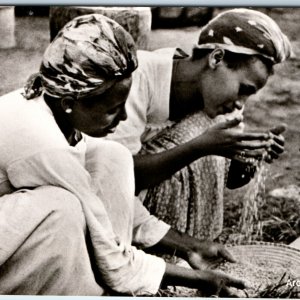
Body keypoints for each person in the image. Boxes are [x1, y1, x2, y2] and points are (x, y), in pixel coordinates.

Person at [0, 13, 249, 296]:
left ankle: (113, 285)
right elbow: (103, 237)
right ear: (70, 103)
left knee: (112, 156)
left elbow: (105, 211)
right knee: (62, 209)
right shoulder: (44, 143)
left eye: (123, 105)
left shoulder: (57, 108)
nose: (123, 117)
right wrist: (199, 279)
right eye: (112, 109)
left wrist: (190, 246)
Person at [105, 8, 292, 240]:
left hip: (167, 219)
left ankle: (197, 248)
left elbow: (228, 180)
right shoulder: (135, 79)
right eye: (243, 90)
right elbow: (114, 177)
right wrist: (199, 147)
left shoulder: (222, 103)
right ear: (216, 58)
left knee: (213, 123)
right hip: (117, 218)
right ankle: (177, 249)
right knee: (199, 128)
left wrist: (251, 155)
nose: (240, 103)